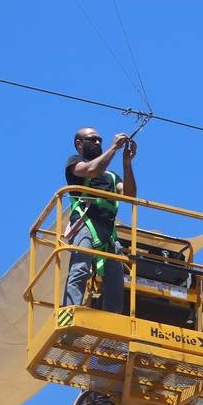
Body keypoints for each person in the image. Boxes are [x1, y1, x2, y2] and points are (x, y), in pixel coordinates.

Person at [63, 127, 137, 312]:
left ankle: (112, 328)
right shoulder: (74, 163)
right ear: (79, 144)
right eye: (92, 139)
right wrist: (113, 148)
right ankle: (70, 313)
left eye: (99, 140)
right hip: (85, 224)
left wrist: (126, 163)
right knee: (80, 270)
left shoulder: (111, 177)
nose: (97, 143)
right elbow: (90, 170)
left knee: (115, 281)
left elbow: (129, 195)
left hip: (108, 231)